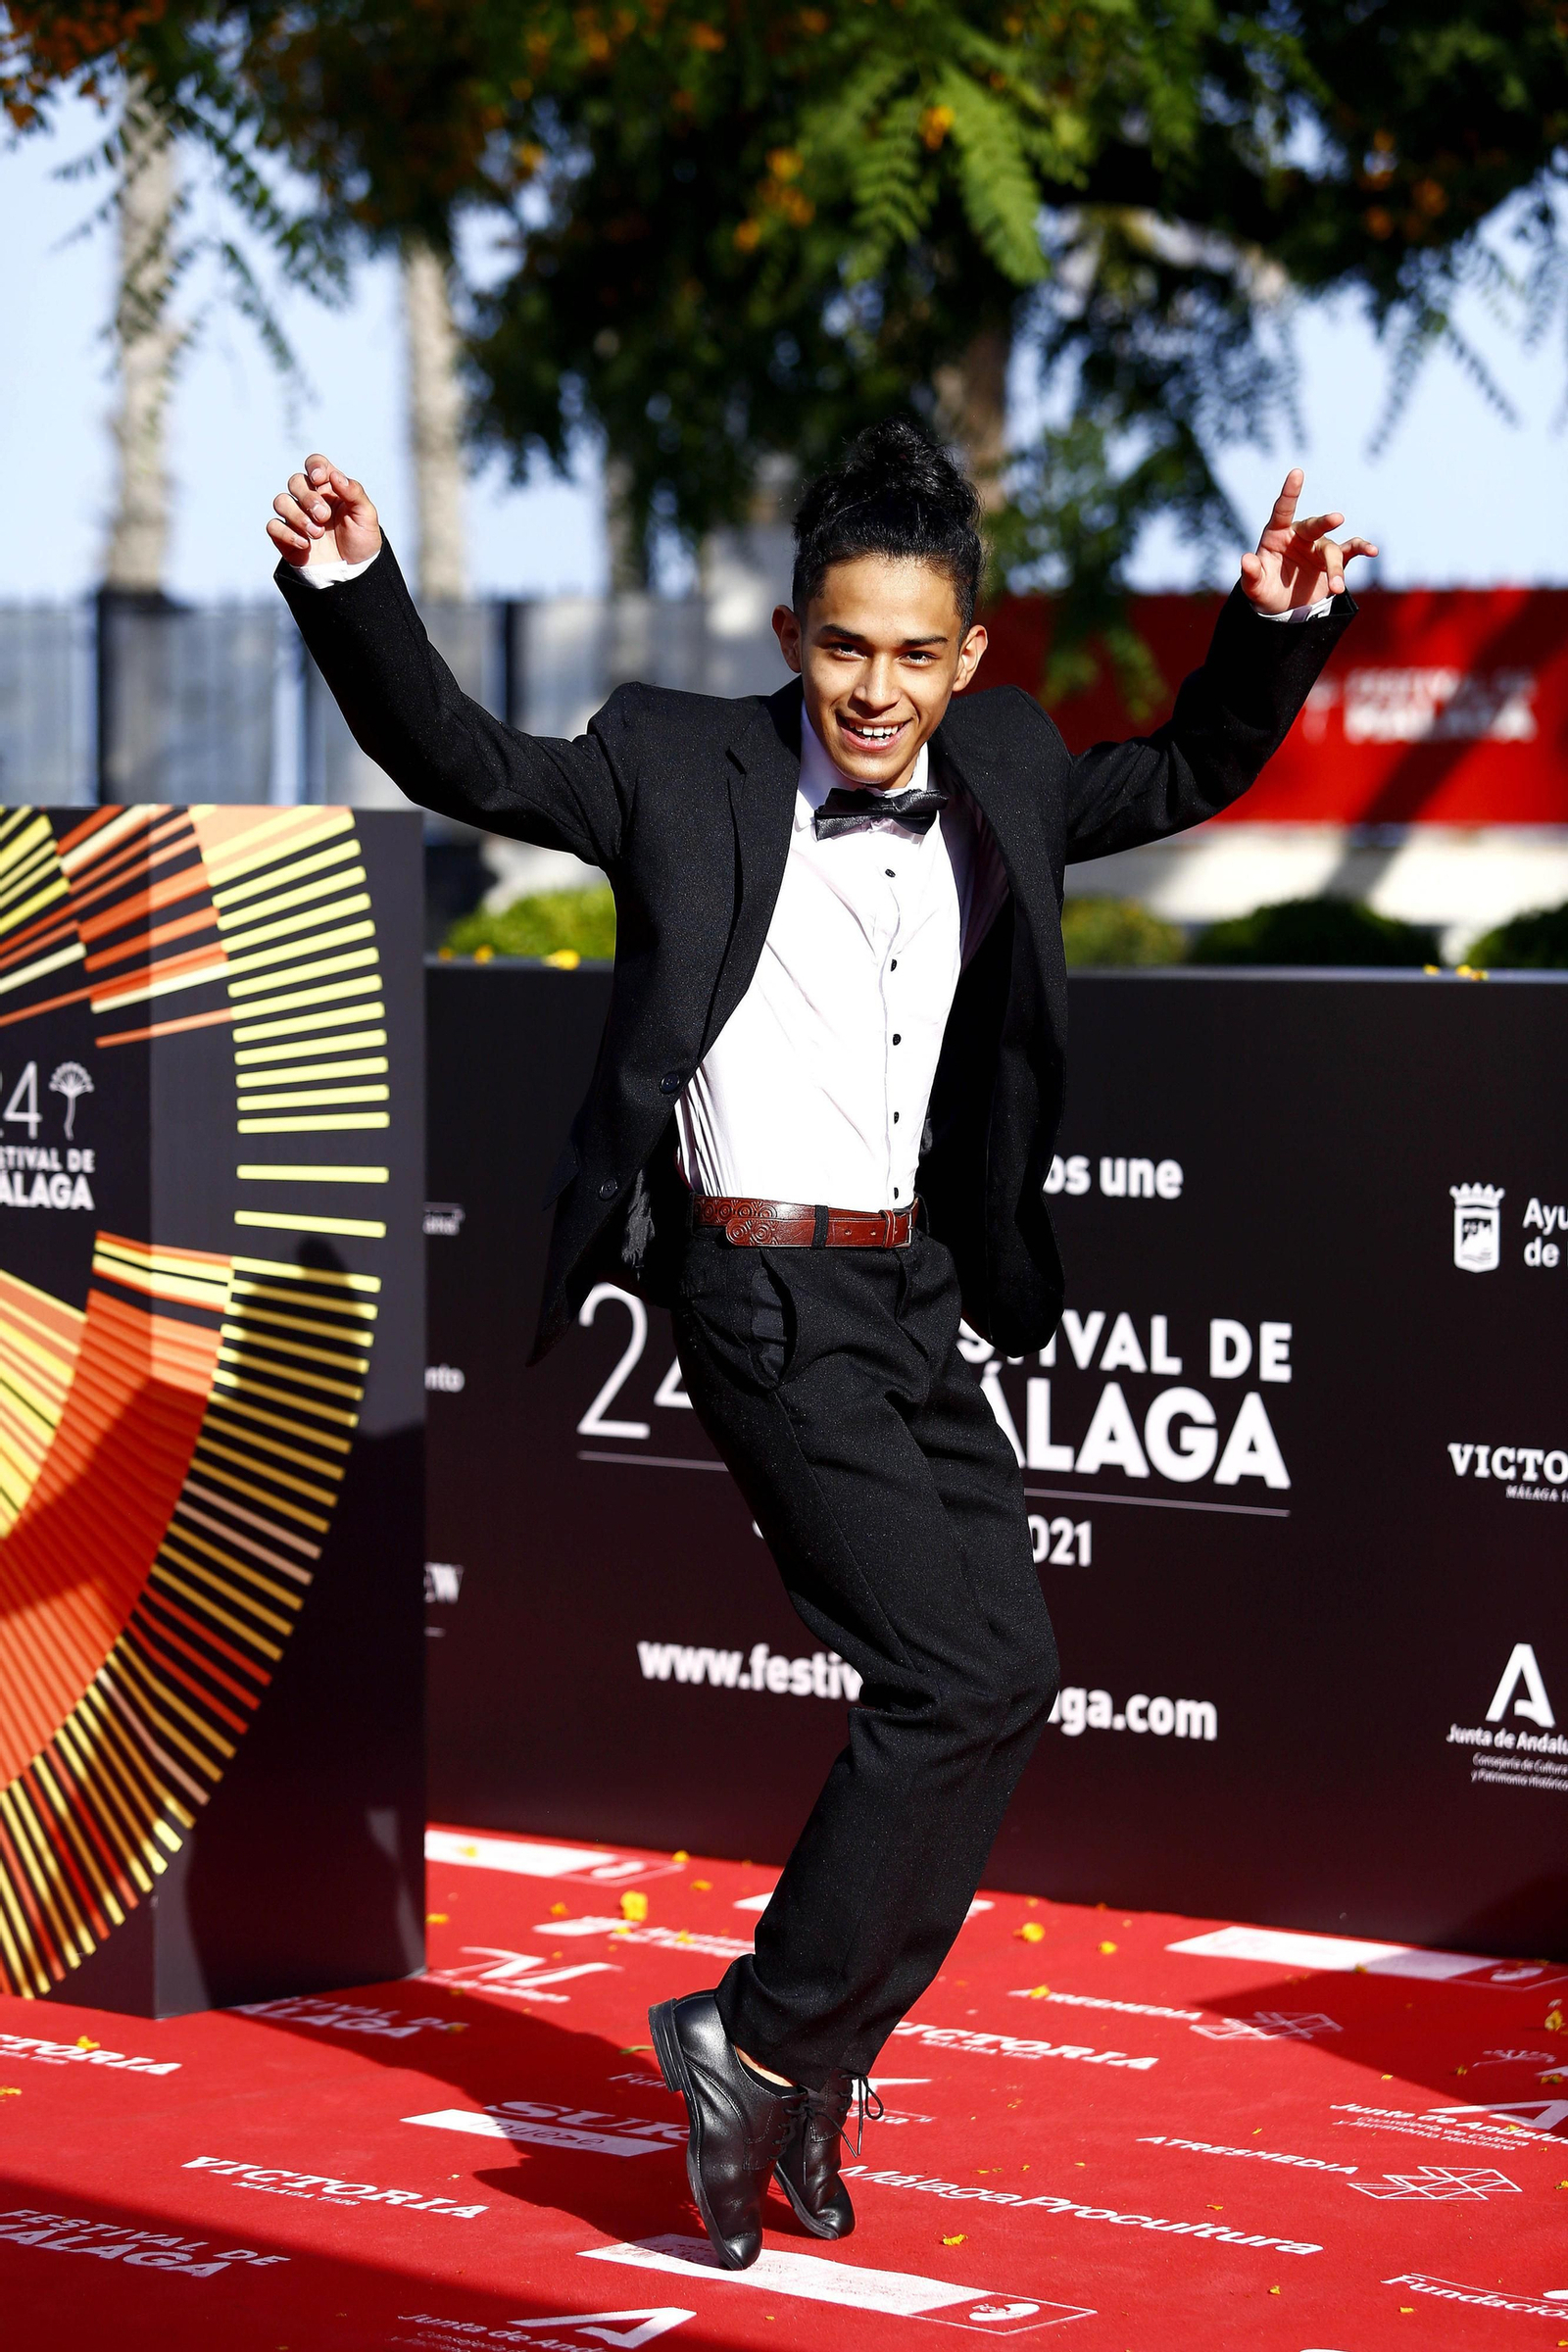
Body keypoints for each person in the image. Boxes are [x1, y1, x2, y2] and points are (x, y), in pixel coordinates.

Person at [268, 422, 1372, 2269]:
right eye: (844, 645)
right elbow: (458, 753)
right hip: (758, 1291)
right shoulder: (671, 761)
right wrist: (349, 583)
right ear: (793, 636)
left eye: (915, 654)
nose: (876, 688)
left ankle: (810, 2055)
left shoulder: (1005, 767)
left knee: (1007, 1673)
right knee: (942, 1672)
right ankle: (760, 2035)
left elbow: (1185, 766)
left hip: (913, 1289)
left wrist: (1269, 627)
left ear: (968, 657)